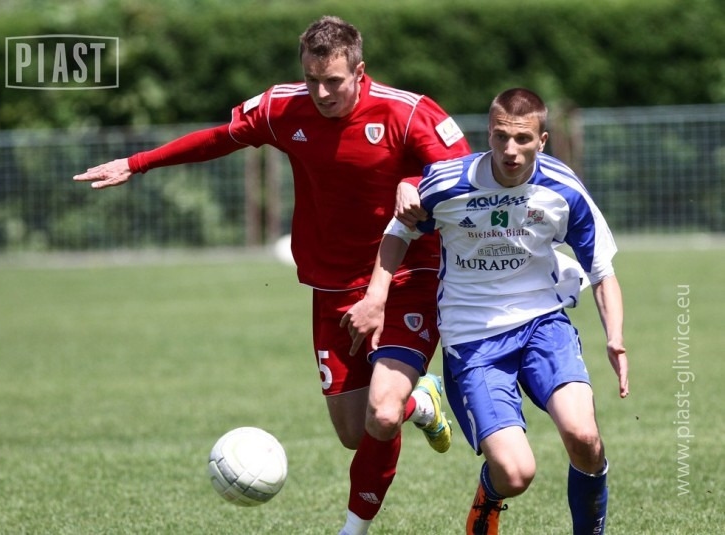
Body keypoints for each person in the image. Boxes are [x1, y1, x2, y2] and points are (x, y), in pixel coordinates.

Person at [73, 16, 471, 534]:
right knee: (354, 432)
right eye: (312, 79)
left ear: (360, 72)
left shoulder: (408, 112)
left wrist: (417, 180)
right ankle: (420, 401)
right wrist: (138, 163)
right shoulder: (283, 107)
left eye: (333, 81)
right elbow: (221, 138)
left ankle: (352, 528)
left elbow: (467, 176)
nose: (322, 93)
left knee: (382, 413)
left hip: (405, 274)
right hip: (331, 285)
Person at [342, 88, 629, 534]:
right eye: (501, 137)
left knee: (584, 438)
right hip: (473, 339)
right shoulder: (449, 184)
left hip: (543, 325)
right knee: (515, 474)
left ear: (542, 140)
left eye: (523, 139)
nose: (510, 150)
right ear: (488, 134)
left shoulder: (563, 189)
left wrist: (614, 337)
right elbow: (400, 229)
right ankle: (490, 495)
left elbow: (601, 270)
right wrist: (376, 296)